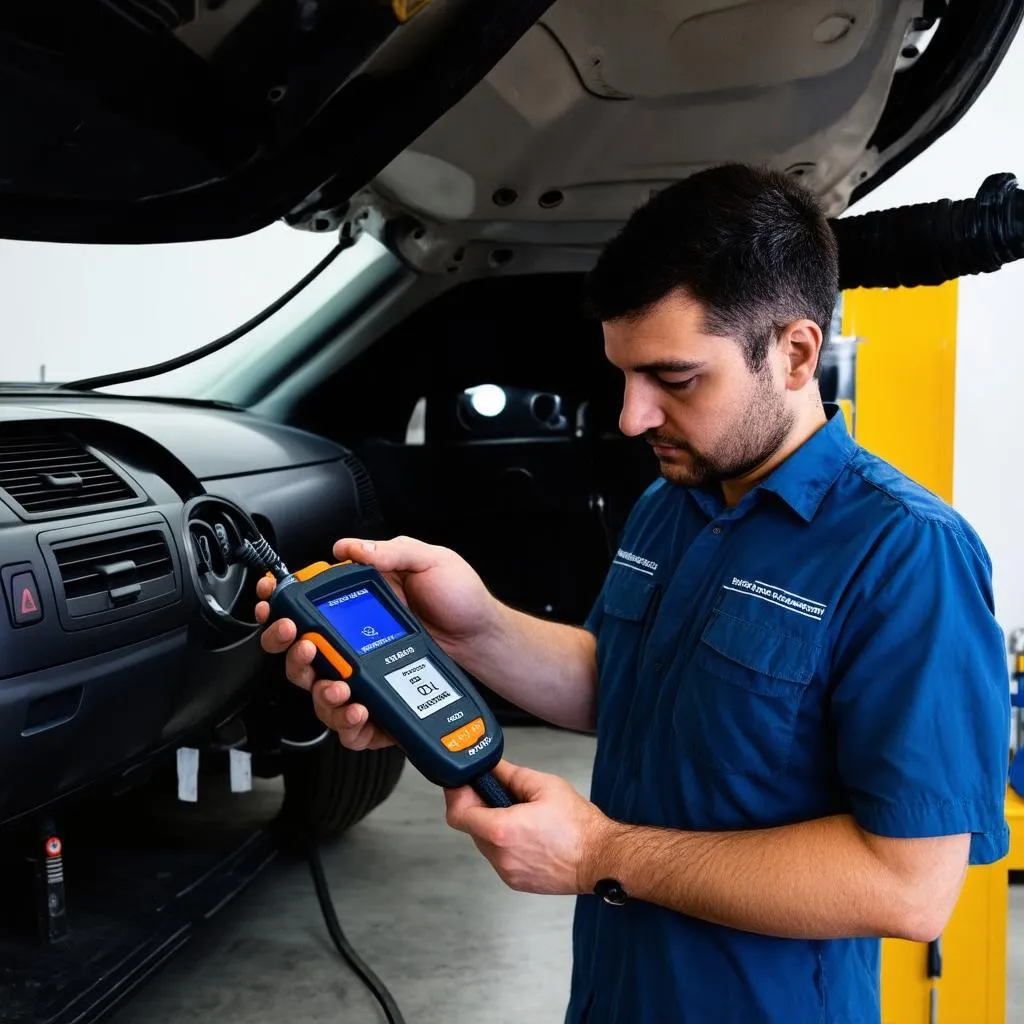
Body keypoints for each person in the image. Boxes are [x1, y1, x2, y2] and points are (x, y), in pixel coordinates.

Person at [256, 163, 1010, 1023]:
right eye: (624, 375)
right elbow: (624, 683)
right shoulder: (672, 502)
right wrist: (466, 630)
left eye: (676, 379)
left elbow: (907, 886)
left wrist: (600, 853)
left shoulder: (906, 553)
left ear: (796, 353)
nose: (632, 416)